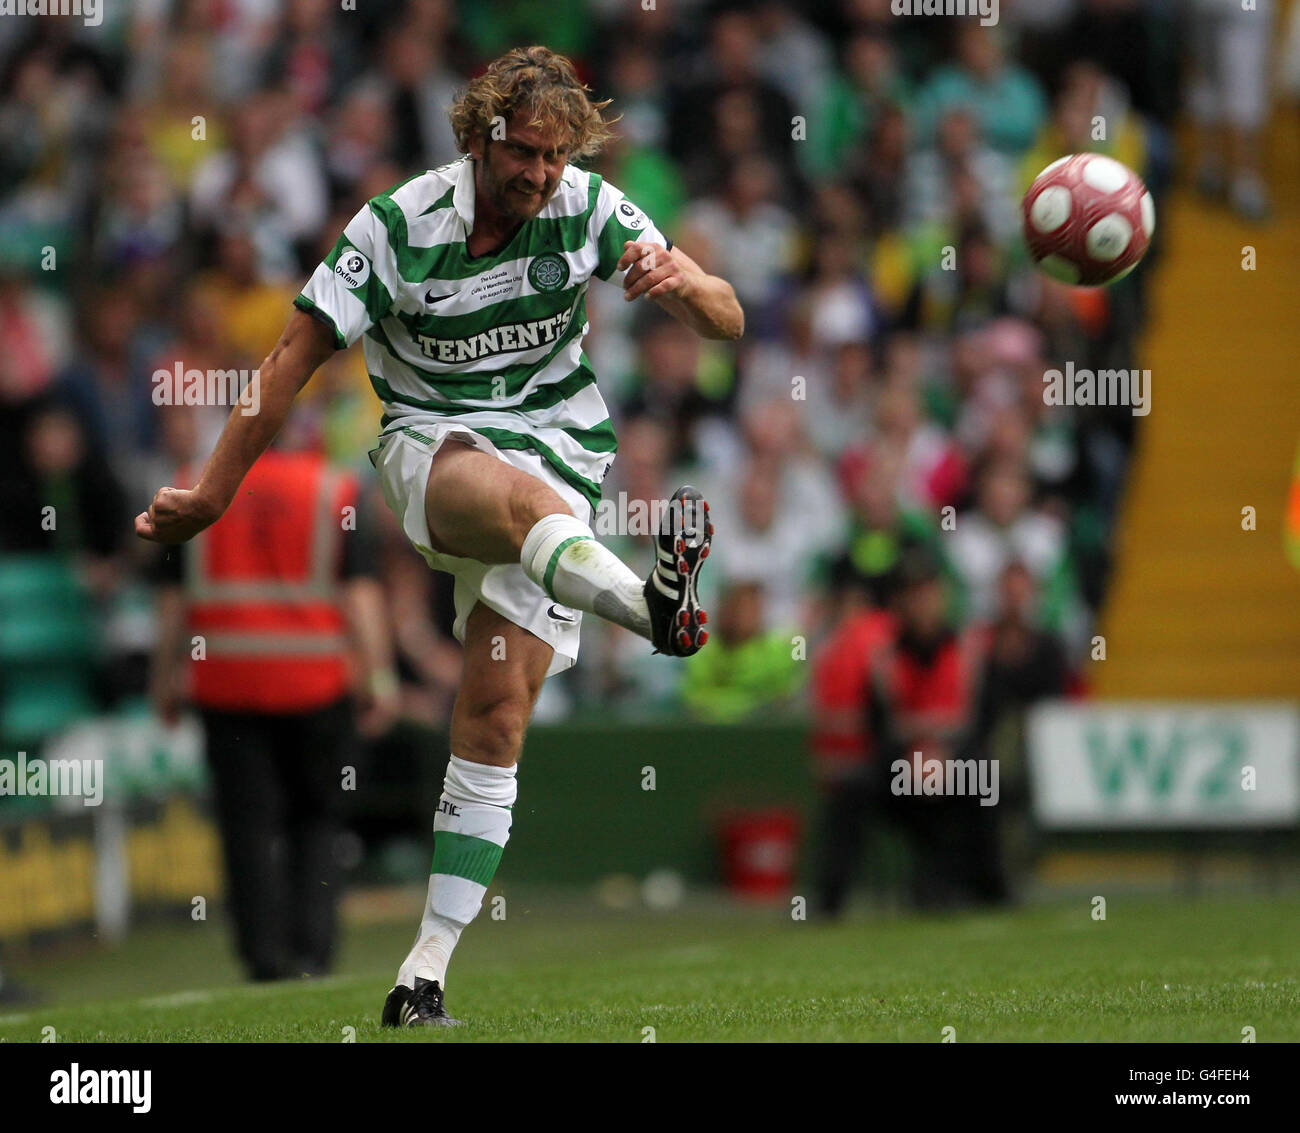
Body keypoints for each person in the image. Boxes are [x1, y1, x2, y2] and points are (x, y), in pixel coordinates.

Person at [135, 46, 743, 1026]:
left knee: (496, 717)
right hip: (434, 444)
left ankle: (421, 975)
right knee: (513, 503)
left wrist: (679, 278)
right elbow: (290, 359)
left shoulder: (588, 209)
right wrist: (210, 492)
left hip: (560, 448)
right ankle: (647, 606)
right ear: (477, 137)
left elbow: (728, 316)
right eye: (524, 153)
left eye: (555, 158)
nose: (540, 175)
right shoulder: (395, 227)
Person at [150, 442, 398, 981]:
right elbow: (360, 593)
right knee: (316, 818)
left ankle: (263, 957)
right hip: (318, 685)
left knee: (246, 826)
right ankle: (313, 951)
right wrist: (378, 678)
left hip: (225, 684)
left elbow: (172, 600)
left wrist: (164, 679)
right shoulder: (334, 490)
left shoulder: (191, 485)